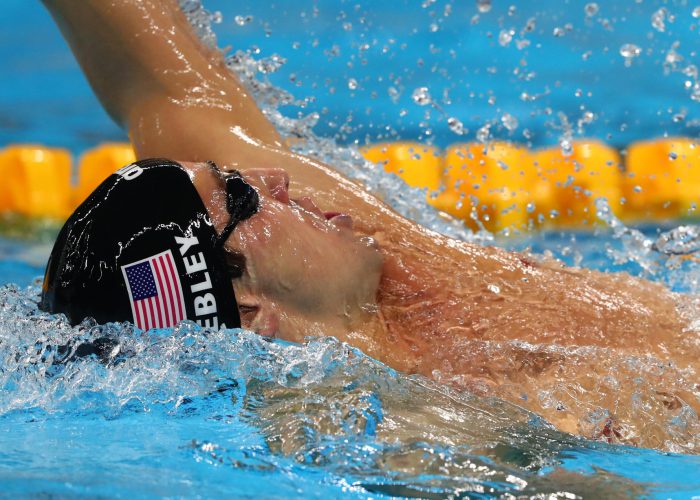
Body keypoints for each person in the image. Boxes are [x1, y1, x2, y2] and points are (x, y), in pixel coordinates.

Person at [39, 0, 699, 447]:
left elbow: (162, 80)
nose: (274, 178)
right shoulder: (402, 429)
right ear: (247, 309)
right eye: (239, 194)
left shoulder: (321, 229)